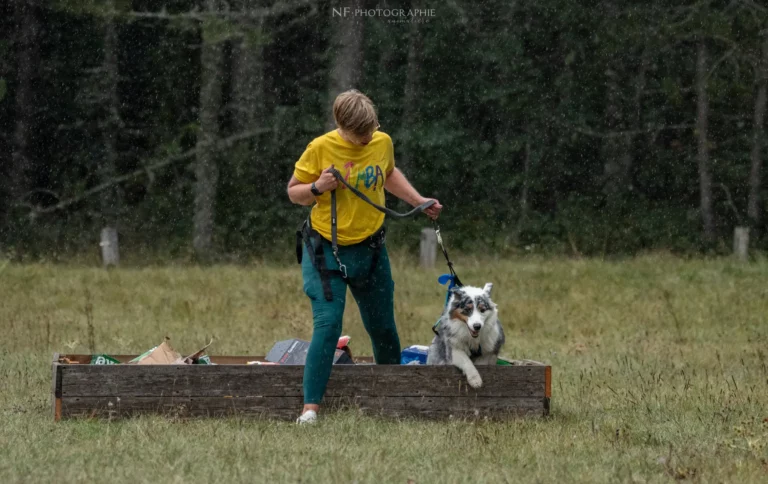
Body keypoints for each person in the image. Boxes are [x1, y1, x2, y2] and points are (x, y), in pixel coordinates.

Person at [287, 89, 442, 424]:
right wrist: (317, 188)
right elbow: (294, 192)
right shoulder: (320, 148)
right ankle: (310, 410)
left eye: (371, 130)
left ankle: (393, 401)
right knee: (328, 325)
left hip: (370, 250)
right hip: (326, 252)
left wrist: (418, 201)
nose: (368, 138)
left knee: (383, 326)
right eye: (361, 134)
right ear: (342, 126)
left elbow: (388, 173)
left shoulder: (381, 142)